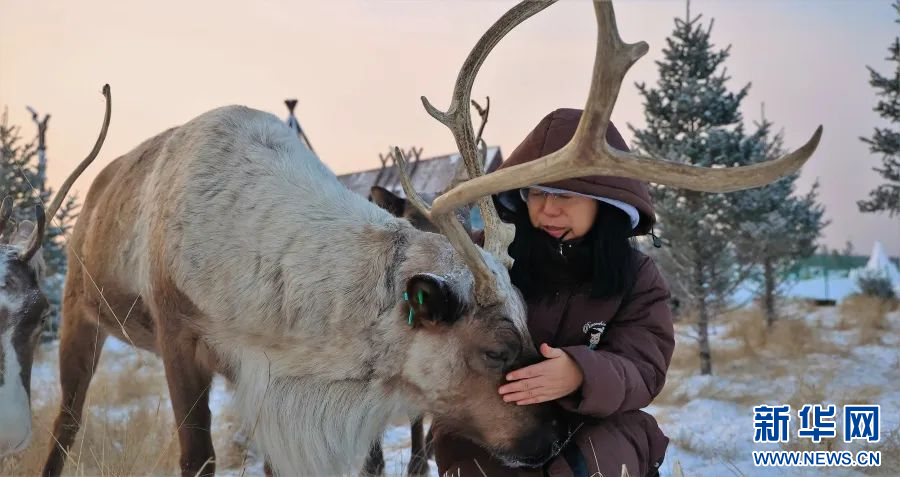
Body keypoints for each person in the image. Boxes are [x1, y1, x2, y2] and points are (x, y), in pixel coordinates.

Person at [433, 108, 674, 477]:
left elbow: (644, 367)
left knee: (601, 459)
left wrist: (581, 374)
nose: (548, 209)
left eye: (566, 195)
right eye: (537, 192)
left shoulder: (635, 276)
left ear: (604, 201)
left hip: (594, 421)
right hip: (492, 416)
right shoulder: (483, 258)